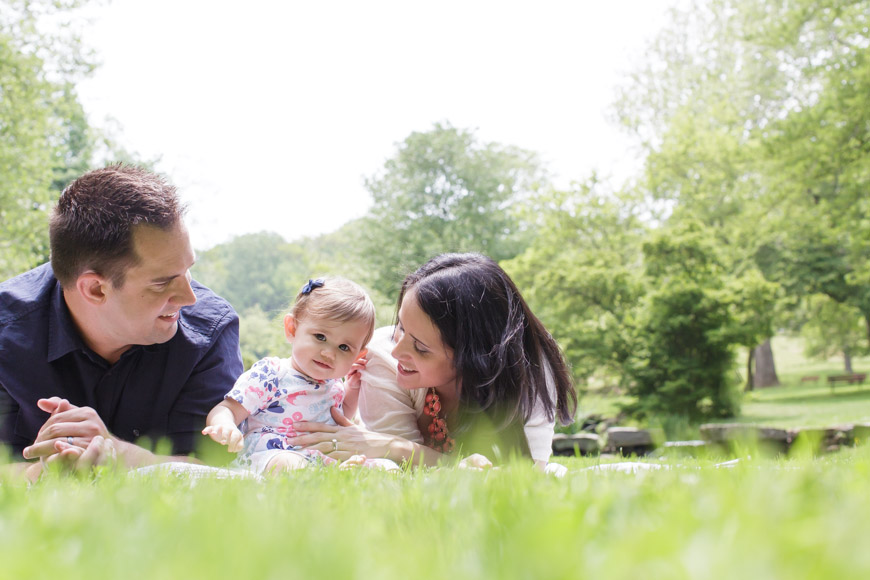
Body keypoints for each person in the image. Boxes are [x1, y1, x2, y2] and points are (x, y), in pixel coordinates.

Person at [0, 165, 243, 481]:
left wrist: (116, 453)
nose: (188, 297)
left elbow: (220, 472)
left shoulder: (209, 332)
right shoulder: (7, 332)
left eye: (188, 271)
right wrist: (47, 471)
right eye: (162, 282)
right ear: (95, 289)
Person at [287, 253, 577, 470]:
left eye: (421, 348)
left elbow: (525, 474)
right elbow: (399, 472)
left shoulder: (530, 371)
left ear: (475, 357)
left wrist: (394, 447)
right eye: (401, 327)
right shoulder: (382, 356)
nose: (398, 350)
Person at [203, 277, 394, 474]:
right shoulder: (271, 374)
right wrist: (225, 426)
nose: (329, 353)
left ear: (357, 356)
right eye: (320, 337)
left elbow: (341, 417)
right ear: (292, 329)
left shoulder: (335, 384)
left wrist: (351, 389)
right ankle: (331, 477)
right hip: (271, 456)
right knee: (289, 465)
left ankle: (338, 475)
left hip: (321, 457)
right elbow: (228, 408)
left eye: (344, 347)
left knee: (388, 467)